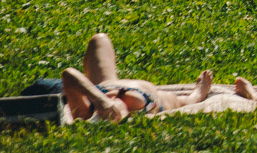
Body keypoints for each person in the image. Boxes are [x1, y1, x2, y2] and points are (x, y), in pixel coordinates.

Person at [60, 33, 215, 122]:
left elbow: (69, 74)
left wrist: (100, 100)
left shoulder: (86, 112)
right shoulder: (141, 111)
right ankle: (197, 94)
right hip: (149, 99)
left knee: (99, 40)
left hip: (105, 84)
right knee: (185, 101)